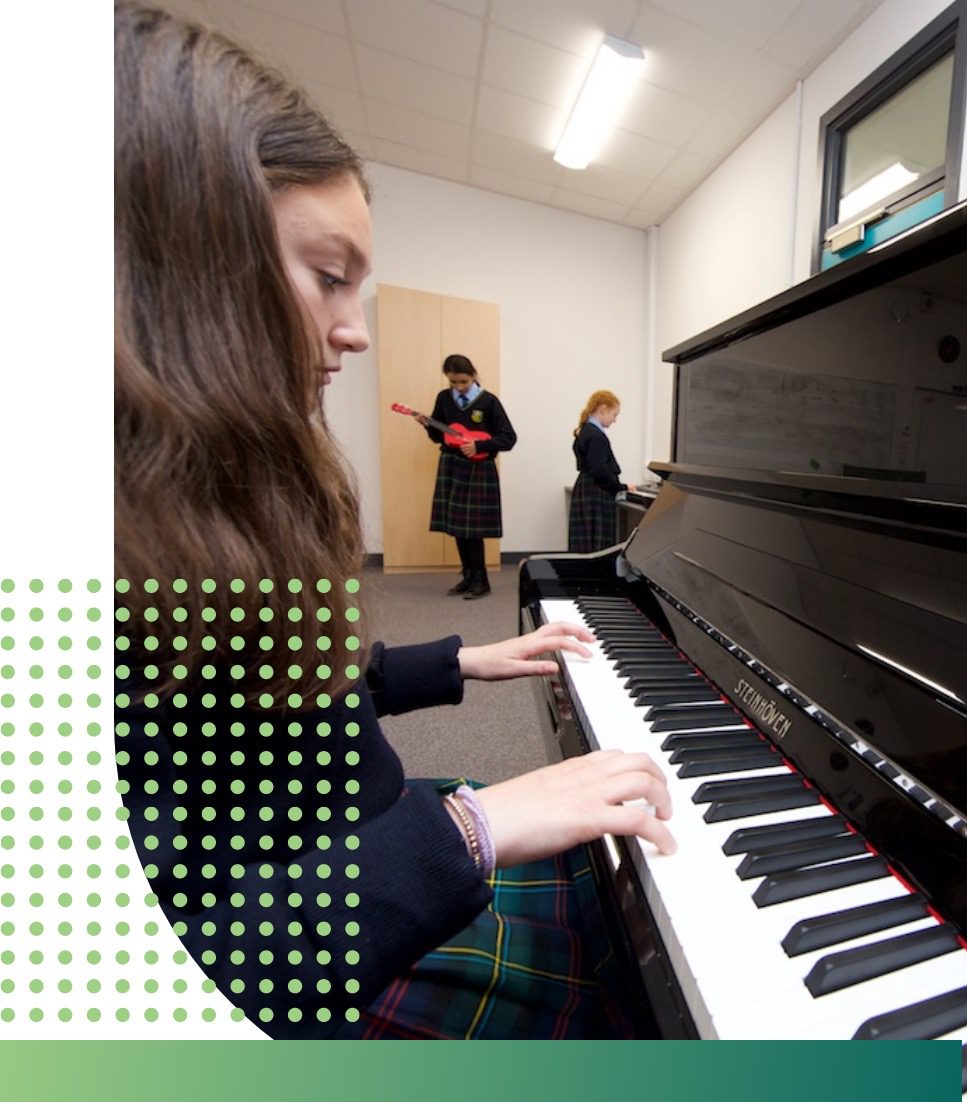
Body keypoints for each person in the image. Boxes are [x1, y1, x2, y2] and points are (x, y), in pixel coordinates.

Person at [114, 3, 674, 1039]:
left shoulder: (177, 511)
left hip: (353, 850)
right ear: (168, 268)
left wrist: (459, 664)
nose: (354, 333)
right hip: (330, 955)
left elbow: (247, 723)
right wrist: (468, 828)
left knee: (625, 892)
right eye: (329, 277)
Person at [421, 353, 516, 598]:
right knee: (457, 528)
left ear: (473, 375)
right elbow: (439, 436)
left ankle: (481, 581)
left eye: (463, 381)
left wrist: (480, 447)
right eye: (453, 382)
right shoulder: (444, 398)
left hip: (478, 469)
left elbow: (508, 438)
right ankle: (468, 577)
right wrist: (428, 425)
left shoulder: (488, 402)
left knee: (473, 530)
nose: (458, 387)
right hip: (452, 465)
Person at [568, 390, 625, 553]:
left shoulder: (585, 431)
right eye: (614, 415)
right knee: (597, 544)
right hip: (596, 492)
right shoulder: (596, 436)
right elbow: (600, 470)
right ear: (603, 409)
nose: (615, 420)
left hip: (586, 488)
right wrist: (620, 487)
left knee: (586, 540)